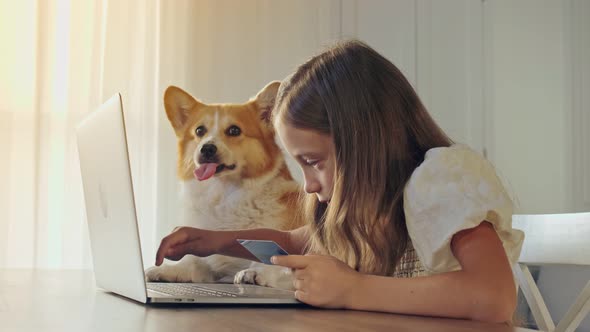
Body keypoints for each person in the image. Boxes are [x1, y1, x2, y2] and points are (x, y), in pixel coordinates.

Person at [154, 40, 524, 323]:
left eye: (313, 162)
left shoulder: (439, 178)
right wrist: (215, 242)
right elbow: (290, 243)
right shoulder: (364, 203)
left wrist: (354, 289)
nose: (309, 185)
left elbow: (494, 296)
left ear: (364, 142)